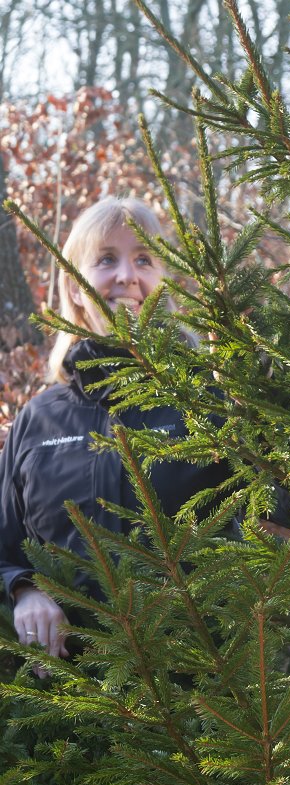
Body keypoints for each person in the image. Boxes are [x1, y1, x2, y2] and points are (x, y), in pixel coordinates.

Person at [0, 196, 235, 677]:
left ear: (162, 281)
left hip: (208, 705)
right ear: (75, 285)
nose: (126, 275)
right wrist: (24, 590)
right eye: (106, 259)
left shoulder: (208, 399)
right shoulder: (37, 419)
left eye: (143, 258)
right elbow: (3, 545)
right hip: (63, 707)